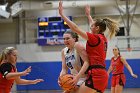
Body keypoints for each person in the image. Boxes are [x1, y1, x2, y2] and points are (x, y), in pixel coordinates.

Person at [58, 1, 119, 93]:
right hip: (99, 73)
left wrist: (62, 15)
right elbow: (94, 25)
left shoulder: (94, 38)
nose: (90, 27)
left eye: (92, 26)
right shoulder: (102, 38)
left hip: (96, 74)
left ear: (97, 28)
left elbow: (75, 28)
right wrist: (88, 15)